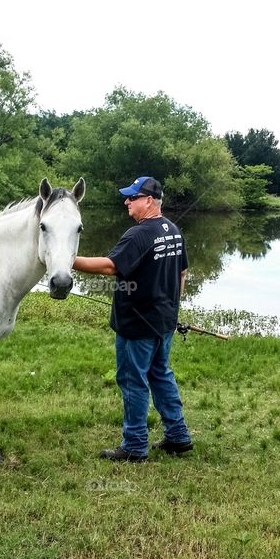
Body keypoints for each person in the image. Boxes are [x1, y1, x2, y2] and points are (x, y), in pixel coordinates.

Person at [72, 176, 193, 462]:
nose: (127, 201)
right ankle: (178, 436)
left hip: (137, 325)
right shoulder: (172, 230)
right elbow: (183, 273)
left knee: (132, 380)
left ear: (148, 200)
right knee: (160, 375)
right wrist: (171, 309)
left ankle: (135, 446)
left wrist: (65, 258)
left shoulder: (139, 234)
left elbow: (110, 266)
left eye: (132, 197)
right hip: (164, 323)